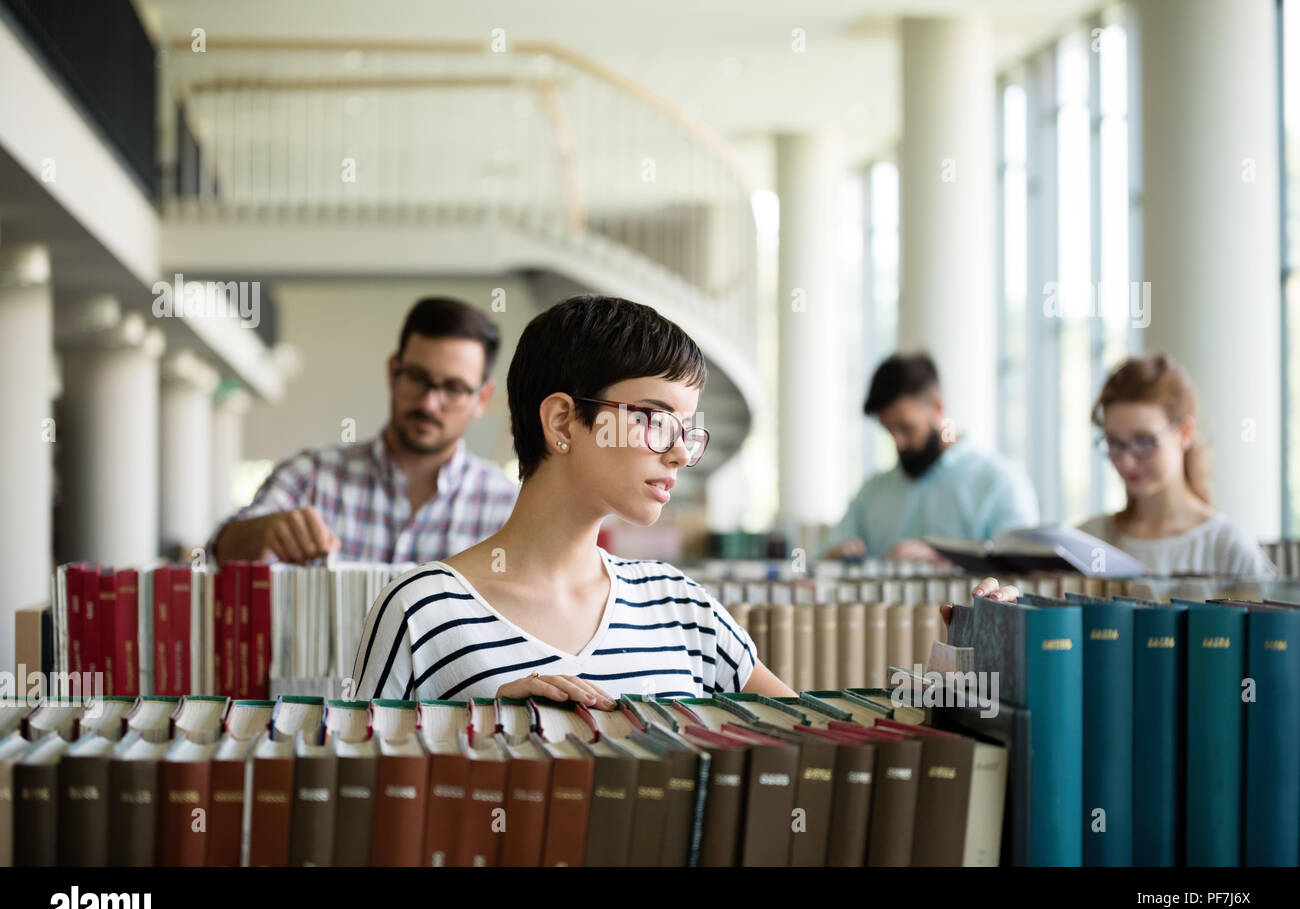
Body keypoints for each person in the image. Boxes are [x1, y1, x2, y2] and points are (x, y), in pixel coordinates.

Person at [350, 294, 795, 705]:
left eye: (684, 428)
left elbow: (812, 743)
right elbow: (364, 786)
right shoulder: (420, 612)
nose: (680, 452)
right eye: (655, 419)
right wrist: (483, 732)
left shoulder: (681, 606)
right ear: (562, 422)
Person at [209, 297, 519, 564]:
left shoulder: (508, 511)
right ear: (392, 372)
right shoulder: (311, 476)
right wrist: (262, 533)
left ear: (481, 399)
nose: (429, 402)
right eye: (416, 377)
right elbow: (217, 554)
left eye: (453, 388)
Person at [820, 352, 1039, 562]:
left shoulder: (1000, 483)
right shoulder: (872, 493)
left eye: (906, 428)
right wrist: (835, 557)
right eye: (889, 430)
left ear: (937, 408)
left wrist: (946, 558)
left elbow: (1023, 572)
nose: (898, 442)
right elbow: (824, 554)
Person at [1076, 354, 1274, 577]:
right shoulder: (1089, 541)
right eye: (1115, 443)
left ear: (1185, 432)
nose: (1127, 461)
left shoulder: (1228, 548)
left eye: (1144, 441)